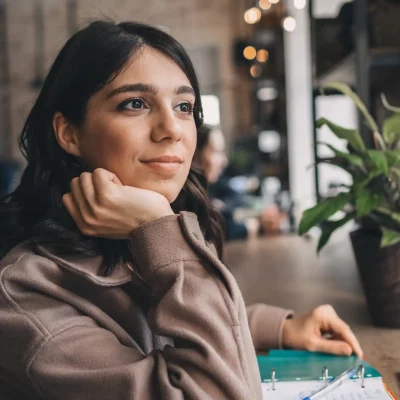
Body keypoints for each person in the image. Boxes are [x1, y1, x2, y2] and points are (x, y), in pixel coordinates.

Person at [0, 20, 362, 399]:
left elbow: (153, 331)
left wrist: (279, 327)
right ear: (69, 134)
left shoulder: (120, 241)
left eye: (184, 106)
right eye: (135, 103)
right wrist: (159, 227)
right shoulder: (24, 296)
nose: (172, 128)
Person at [196, 124, 282, 240]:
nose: (224, 161)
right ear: (195, 154)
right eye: (217, 152)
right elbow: (215, 230)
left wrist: (262, 214)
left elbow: (233, 199)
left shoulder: (213, 187)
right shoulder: (191, 201)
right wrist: (247, 228)